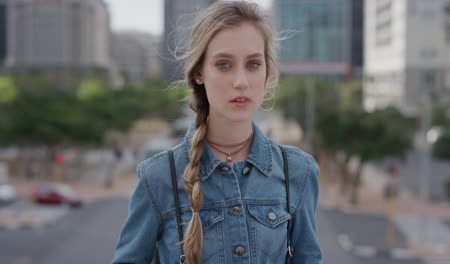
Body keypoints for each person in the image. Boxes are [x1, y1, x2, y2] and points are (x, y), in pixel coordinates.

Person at [111, 1, 322, 263]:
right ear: (200, 72)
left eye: (253, 64)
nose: (241, 82)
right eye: (224, 64)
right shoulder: (158, 177)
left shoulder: (298, 171)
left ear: (267, 71)